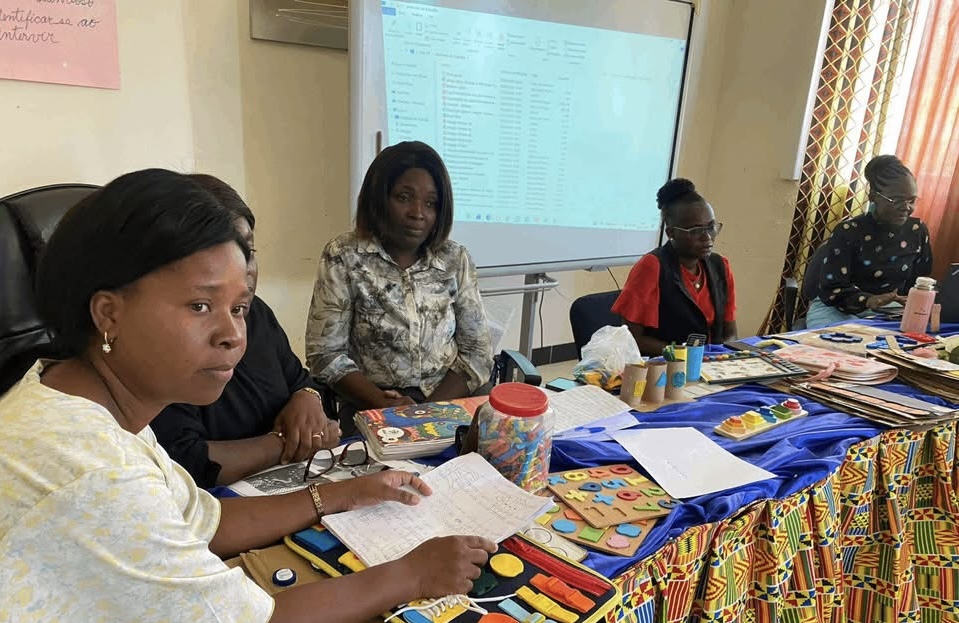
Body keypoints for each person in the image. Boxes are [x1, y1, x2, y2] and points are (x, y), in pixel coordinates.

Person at [0, 169, 495, 622]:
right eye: (200, 305)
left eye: (238, 308)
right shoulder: (93, 473)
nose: (233, 335)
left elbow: (204, 520)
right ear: (109, 313)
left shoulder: (80, 400)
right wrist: (412, 574)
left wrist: (345, 493)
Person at [151, 174, 340, 488]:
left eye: (248, 252)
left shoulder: (257, 313)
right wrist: (288, 443)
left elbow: (299, 379)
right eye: (221, 255)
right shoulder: (167, 339)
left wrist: (307, 399)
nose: (242, 270)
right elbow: (184, 463)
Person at [305, 141, 493, 436]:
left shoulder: (455, 259)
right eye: (404, 197)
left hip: (449, 396)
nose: (418, 213)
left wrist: (425, 412)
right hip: (372, 401)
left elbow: (477, 353)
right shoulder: (344, 255)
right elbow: (325, 354)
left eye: (431, 203)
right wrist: (383, 404)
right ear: (379, 198)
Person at [612, 178, 737, 356]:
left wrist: (720, 357)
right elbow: (632, 339)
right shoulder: (652, 266)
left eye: (711, 227)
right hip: (665, 365)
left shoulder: (720, 266)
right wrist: (684, 355)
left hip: (709, 365)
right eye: (696, 231)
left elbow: (730, 334)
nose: (707, 237)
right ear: (671, 233)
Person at [806, 154, 933, 329]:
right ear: (873, 196)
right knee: (836, 342)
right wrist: (869, 300)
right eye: (896, 200)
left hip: (888, 309)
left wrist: (910, 302)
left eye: (911, 201)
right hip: (836, 308)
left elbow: (920, 280)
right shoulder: (849, 231)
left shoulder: (917, 230)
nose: (906, 207)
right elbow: (832, 289)